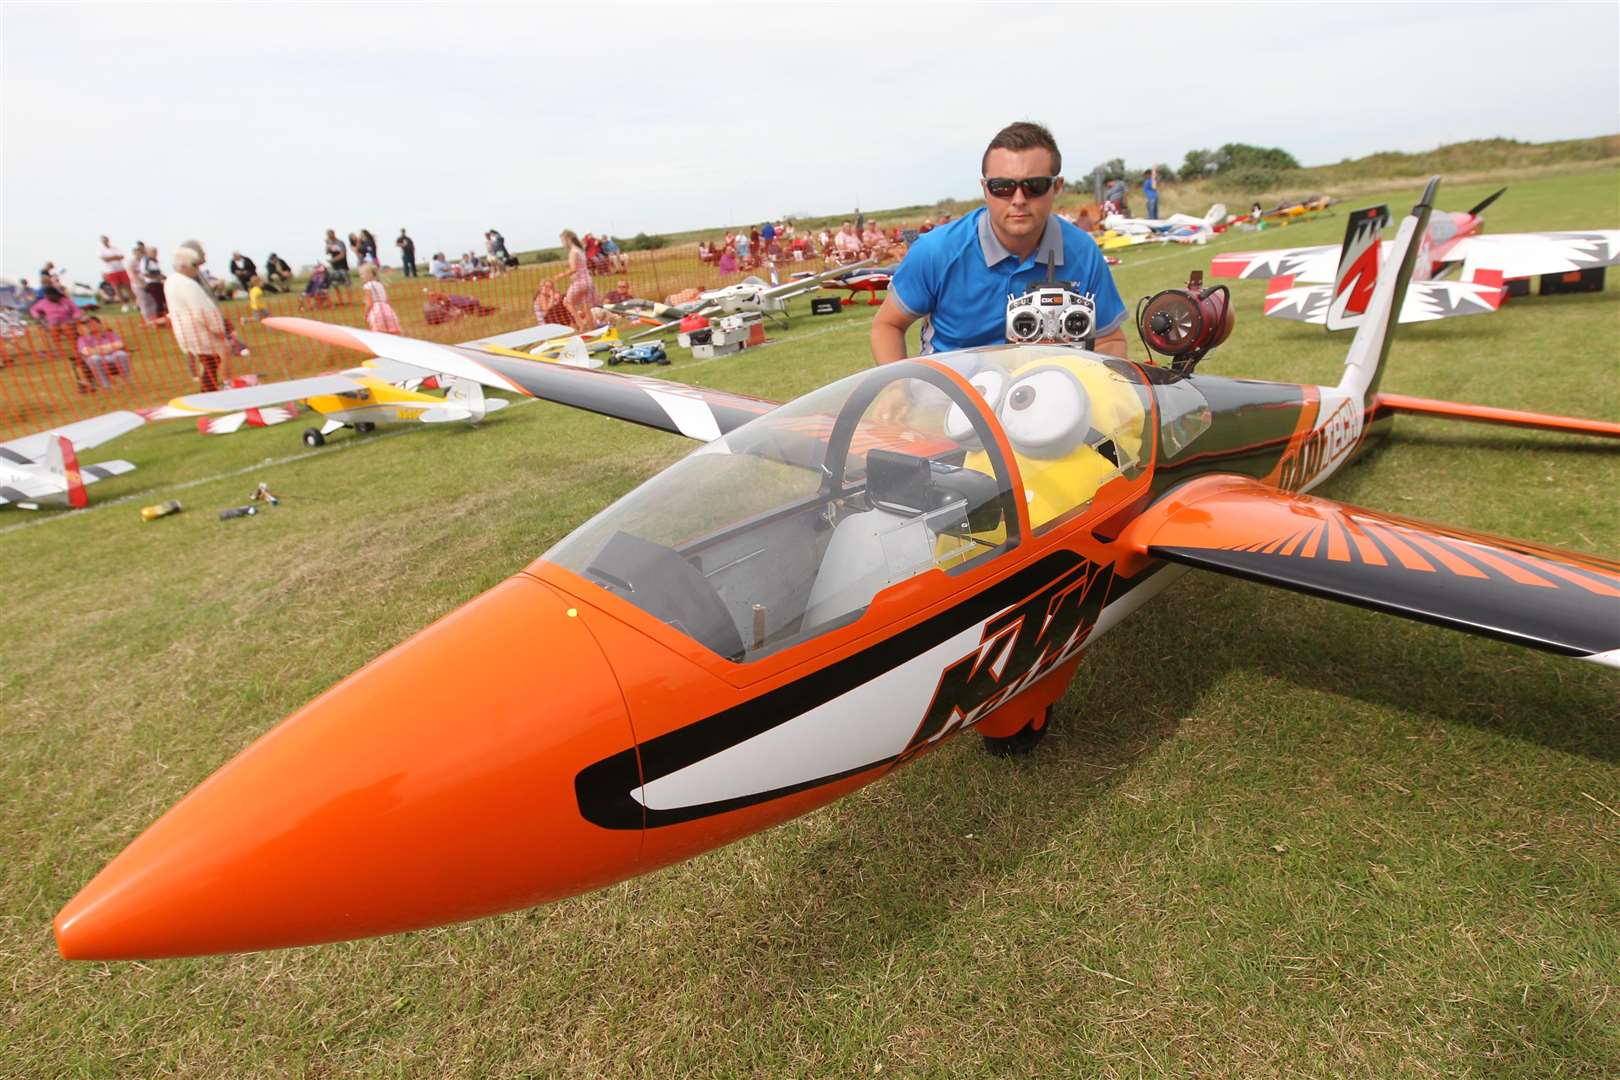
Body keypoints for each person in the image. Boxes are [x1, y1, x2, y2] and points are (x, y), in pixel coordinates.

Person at [870, 121, 1126, 365]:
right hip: (951, 400)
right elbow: (888, 325)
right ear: (985, 188)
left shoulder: (1083, 252)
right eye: (1002, 187)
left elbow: (1108, 339)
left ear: (1057, 187)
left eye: (1033, 186)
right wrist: (898, 391)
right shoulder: (936, 252)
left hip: (1051, 399)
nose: (1018, 199)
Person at [166, 241, 232, 392]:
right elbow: (202, 310)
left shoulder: (171, 281)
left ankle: (210, 390)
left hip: (186, 330)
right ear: (185, 266)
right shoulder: (187, 284)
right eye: (194, 265)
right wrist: (218, 328)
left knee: (210, 362)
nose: (197, 269)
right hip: (199, 331)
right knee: (212, 361)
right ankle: (209, 392)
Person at [29, 285, 93, 391]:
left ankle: (75, 348)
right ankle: (58, 349)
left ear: (55, 294)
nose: (49, 298)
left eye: (51, 296)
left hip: (68, 323)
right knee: (54, 329)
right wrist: (39, 317)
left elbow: (77, 311)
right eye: (47, 296)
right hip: (52, 324)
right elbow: (33, 310)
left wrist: (74, 318)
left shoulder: (66, 301)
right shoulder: (43, 302)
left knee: (66, 327)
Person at [553, 229, 597, 329]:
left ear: (568, 239)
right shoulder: (580, 250)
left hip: (579, 282)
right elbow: (580, 265)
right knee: (586, 307)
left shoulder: (573, 251)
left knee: (567, 302)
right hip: (588, 281)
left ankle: (581, 326)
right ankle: (592, 328)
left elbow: (574, 269)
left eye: (562, 240)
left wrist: (560, 275)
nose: (562, 243)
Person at [76, 316, 131, 387]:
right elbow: (86, 351)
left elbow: (120, 344)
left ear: (99, 324)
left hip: (112, 356)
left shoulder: (110, 333)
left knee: (121, 354)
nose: (90, 325)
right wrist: (109, 347)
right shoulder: (82, 339)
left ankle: (127, 381)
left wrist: (97, 349)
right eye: (87, 325)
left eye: (92, 323)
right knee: (95, 358)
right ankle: (106, 385)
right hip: (96, 359)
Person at [359, 264, 401, 334]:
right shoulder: (380, 284)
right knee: (392, 332)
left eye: (362, 274)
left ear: (369, 274)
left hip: (376, 312)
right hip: (387, 310)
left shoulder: (367, 286)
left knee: (379, 334)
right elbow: (387, 300)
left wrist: (366, 314)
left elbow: (370, 303)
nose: (361, 276)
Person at [136, 243, 169, 324]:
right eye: (154, 252)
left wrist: (162, 277)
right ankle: (160, 320)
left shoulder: (155, 261)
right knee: (159, 302)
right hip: (152, 284)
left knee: (164, 301)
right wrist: (158, 277)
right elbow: (145, 273)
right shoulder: (145, 260)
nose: (156, 253)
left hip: (158, 283)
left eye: (156, 252)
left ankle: (166, 318)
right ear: (148, 252)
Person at [98, 237, 134, 301]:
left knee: (127, 286)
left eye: (106, 240)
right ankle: (124, 304)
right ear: (101, 242)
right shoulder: (101, 250)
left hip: (121, 269)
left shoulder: (115, 248)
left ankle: (134, 302)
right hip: (111, 271)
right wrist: (115, 257)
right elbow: (105, 259)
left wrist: (111, 258)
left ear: (108, 240)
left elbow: (122, 256)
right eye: (103, 241)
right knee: (116, 288)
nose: (105, 242)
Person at [324, 228, 352, 302]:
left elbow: (343, 254)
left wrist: (333, 260)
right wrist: (327, 244)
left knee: (347, 283)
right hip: (334, 267)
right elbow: (327, 252)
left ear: (333, 234)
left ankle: (350, 300)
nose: (329, 236)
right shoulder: (330, 244)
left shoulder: (340, 243)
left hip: (342, 266)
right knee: (334, 284)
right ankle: (340, 300)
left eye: (330, 234)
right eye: (328, 235)